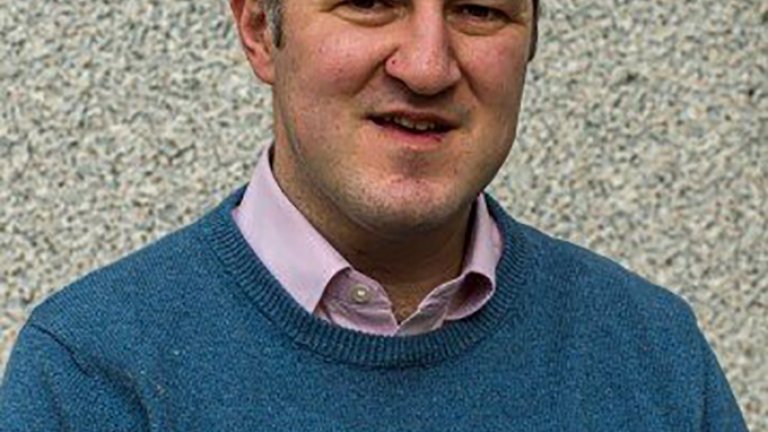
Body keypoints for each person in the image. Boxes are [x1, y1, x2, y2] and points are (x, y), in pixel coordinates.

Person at [0, 0, 748, 430]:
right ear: (259, 28)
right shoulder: (94, 372)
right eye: (368, 0)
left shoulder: (653, 358)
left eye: (479, 9)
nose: (426, 65)